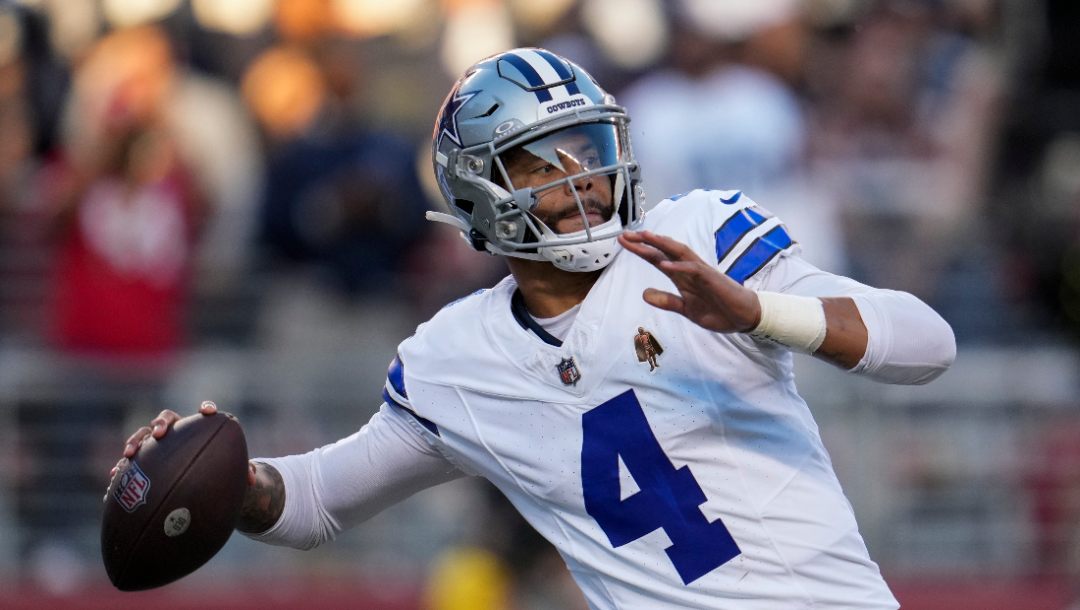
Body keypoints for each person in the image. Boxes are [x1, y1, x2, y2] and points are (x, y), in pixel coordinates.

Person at [116, 48, 956, 609]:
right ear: (479, 190)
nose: (581, 175)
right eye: (542, 160)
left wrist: (759, 312)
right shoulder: (454, 359)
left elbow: (926, 343)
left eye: (588, 147)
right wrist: (220, 474)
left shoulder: (698, 235)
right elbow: (319, 501)